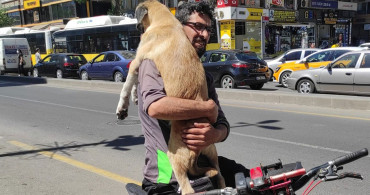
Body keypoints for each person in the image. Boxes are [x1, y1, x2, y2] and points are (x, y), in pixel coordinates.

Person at [137, 2, 248, 194]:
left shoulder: (202, 74)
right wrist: (206, 109)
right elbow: (155, 106)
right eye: (197, 26)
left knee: (253, 181)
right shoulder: (153, 60)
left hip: (203, 164)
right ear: (179, 26)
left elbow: (222, 122)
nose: (204, 34)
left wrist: (216, 134)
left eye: (208, 29)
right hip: (167, 177)